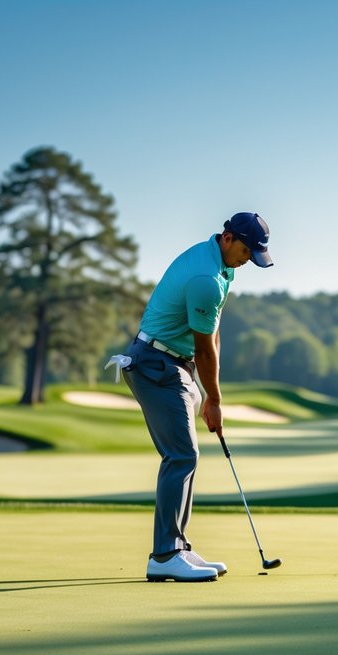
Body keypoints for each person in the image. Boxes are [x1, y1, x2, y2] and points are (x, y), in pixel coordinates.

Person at [120, 212, 273, 582]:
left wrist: (208, 392)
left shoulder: (222, 266)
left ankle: (177, 547)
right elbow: (204, 349)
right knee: (181, 454)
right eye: (246, 251)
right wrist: (215, 400)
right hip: (155, 364)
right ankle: (164, 556)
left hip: (175, 364)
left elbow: (212, 333)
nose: (247, 260)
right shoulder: (206, 278)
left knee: (185, 454)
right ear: (228, 236)